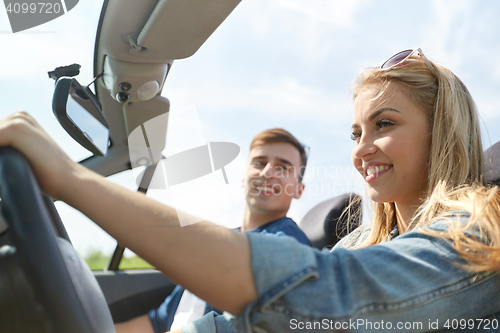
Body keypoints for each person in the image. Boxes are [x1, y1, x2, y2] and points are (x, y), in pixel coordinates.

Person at [2, 47, 500, 332]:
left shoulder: (481, 233)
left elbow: (330, 295)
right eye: (355, 133)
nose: (362, 149)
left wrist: (73, 180)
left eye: (383, 123)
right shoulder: (359, 243)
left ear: (443, 132)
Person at [114, 128, 312, 333]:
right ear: (244, 178)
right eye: (259, 162)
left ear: (298, 189)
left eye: (282, 168)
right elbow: (158, 321)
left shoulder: (288, 244)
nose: (267, 172)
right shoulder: (216, 244)